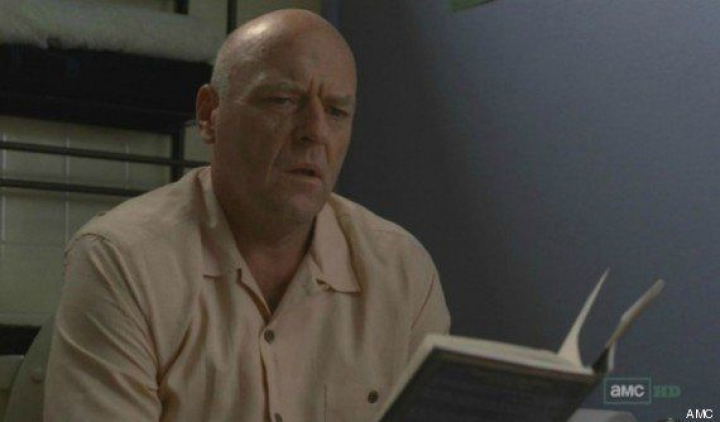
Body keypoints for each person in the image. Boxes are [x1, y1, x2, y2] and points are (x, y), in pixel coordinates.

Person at [44, 9, 450, 422]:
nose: (315, 131)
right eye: (283, 100)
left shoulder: (402, 273)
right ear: (209, 114)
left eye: (336, 111)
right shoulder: (122, 261)